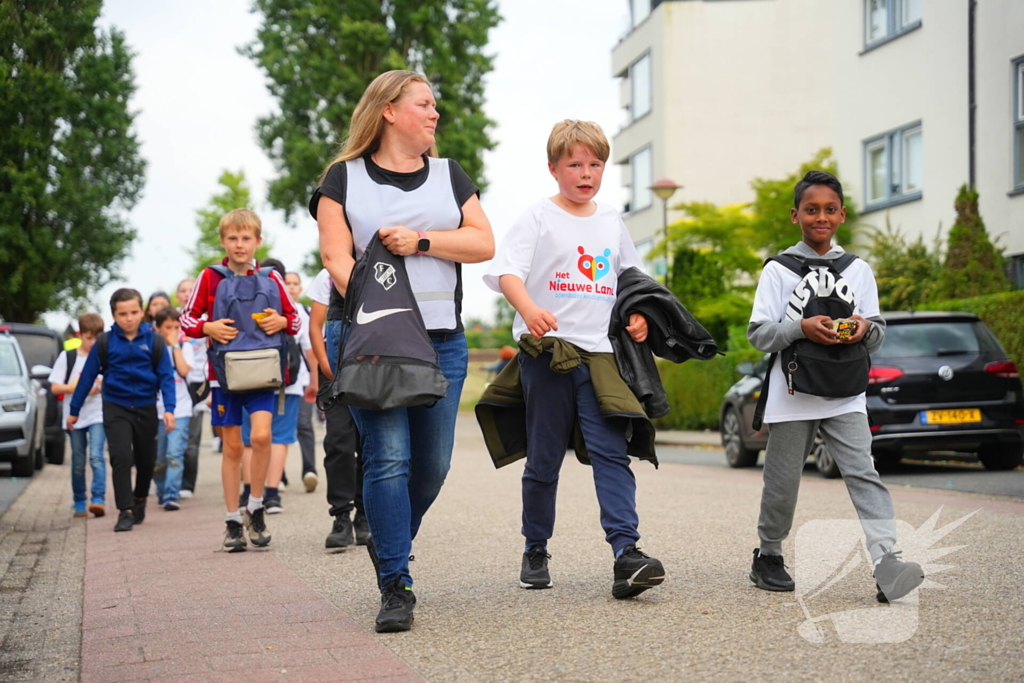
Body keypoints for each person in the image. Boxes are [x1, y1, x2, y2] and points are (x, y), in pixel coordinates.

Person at [312, 70, 494, 632]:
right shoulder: (342, 178)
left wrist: (421, 242)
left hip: (442, 340)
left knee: (433, 466)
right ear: (389, 110)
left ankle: (390, 542)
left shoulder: (449, 175)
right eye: (424, 103)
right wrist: (384, 309)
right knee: (388, 457)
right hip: (371, 340)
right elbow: (335, 258)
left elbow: (483, 242)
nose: (435, 113)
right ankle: (396, 582)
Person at [483, 119, 666, 599]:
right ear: (553, 168)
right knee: (544, 460)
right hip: (547, 354)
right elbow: (507, 273)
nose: (586, 174)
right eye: (575, 165)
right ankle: (535, 547)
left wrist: (638, 316)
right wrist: (530, 310)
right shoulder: (538, 217)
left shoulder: (610, 219)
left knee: (611, 452)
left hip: (600, 355)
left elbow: (630, 279)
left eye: (595, 164)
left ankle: (627, 553)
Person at [746, 170, 924, 602]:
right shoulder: (778, 271)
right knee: (783, 483)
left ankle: (887, 562)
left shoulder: (858, 270)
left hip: (846, 393)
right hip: (792, 394)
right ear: (796, 215)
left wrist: (864, 328)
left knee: (864, 475)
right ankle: (768, 555)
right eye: (811, 210)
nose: (821, 217)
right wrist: (800, 328)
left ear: (842, 215)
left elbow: (877, 333)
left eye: (829, 209)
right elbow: (759, 334)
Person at [180, 209, 300, 552]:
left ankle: (256, 507)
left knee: (261, 437)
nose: (239, 244)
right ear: (223, 241)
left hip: (263, 372)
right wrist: (207, 327)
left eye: (246, 238)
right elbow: (186, 318)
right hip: (224, 376)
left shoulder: (271, 277)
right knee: (232, 448)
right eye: (232, 238)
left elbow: (295, 320)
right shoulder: (210, 277)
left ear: (258, 241)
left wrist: (281, 321)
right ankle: (233, 520)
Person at [68, 289, 177, 532]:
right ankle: (125, 511)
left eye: (134, 312)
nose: (129, 318)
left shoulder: (155, 340)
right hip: (115, 406)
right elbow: (86, 378)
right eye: (123, 314)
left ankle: (140, 497)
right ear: (114, 315)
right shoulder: (105, 342)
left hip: (146, 406)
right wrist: (75, 409)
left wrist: (169, 409)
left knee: (146, 461)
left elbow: (166, 377)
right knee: (121, 457)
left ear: (142, 311)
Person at [237, 258, 315, 515]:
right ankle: (272, 495)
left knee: (250, 439)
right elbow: (309, 349)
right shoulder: (294, 309)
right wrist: (315, 380)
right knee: (279, 438)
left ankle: (248, 492)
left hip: (248, 379)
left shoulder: (242, 302)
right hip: (286, 382)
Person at [307, 268, 368, 549]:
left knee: (369, 444)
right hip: (334, 369)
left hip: (372, 369)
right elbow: (315, 326)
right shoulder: (327, 275)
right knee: (338, 442)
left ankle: (364, 515)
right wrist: (326, 365)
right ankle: (341, 515)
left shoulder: (380, 267)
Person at [49, 313, 106, 518]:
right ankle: (79, 500)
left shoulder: (104, 357)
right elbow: (55, 387)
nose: (93, 343)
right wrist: (74, 388)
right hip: (75, 415)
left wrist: (100, 387)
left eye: (97, 338)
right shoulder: (69, 357)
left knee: (96, 456)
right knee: (78, 460)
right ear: (80, 335)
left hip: (97, 413)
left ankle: (98, 499)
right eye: (89, 338)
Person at [152, 307, 194, 511]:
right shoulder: (153, 349)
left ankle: (171, 494)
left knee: (174, 454)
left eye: (177, 327)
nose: (173, 332)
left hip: (181, 410)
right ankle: (161, 491)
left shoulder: (185, 347)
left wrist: (175, 345)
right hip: (157, 411)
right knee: (159, 459)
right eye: (168, 328)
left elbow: (184, 370)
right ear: (158, 329)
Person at [284, 270, 320, 493]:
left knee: (304, 424)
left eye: (294, 283)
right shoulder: (274, 310)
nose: (291, 287)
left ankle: (309, 470)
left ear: (300, 288)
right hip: (278, 382)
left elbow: (311, 350)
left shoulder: (305, 313)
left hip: (303, 379)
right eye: (286, 283)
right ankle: (278, 475)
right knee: (279, 427)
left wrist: (315, 380)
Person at [176, 277, 206, 499]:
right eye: (183, 290)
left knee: (192, 438)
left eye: (191, 290)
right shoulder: (171, 320)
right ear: (177, 296)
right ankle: (171, 481)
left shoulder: (206, 319)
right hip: (177, 383)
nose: (187, 294)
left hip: (200, 383)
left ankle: (187, 484)